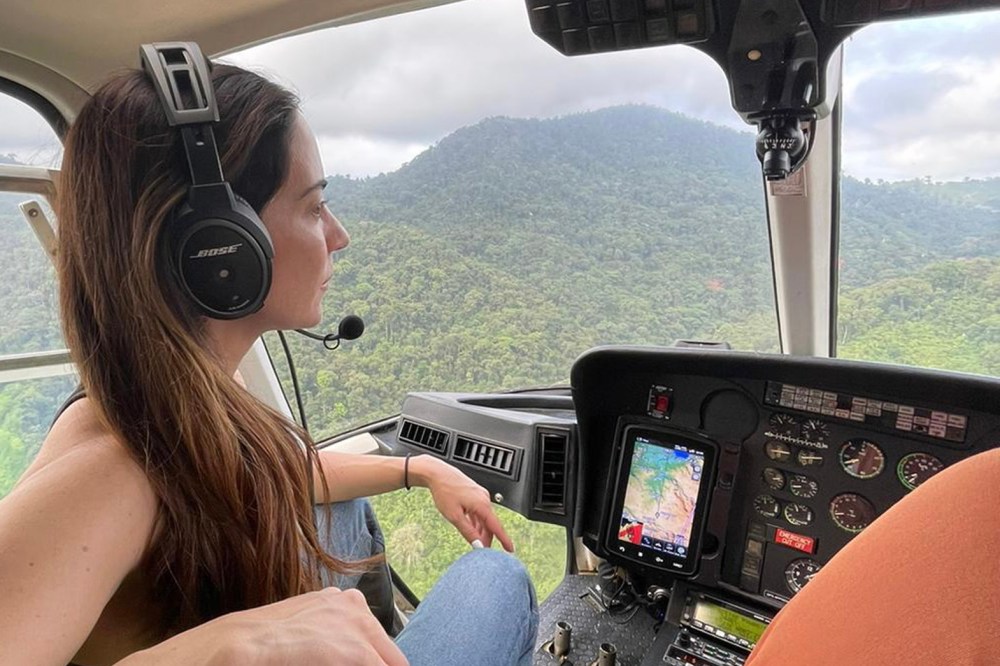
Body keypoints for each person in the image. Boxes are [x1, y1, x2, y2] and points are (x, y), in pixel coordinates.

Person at [0, 57, 537, 666]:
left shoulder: (174, 403)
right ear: (219, 250)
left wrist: (419, 470)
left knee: (346, 508)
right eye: (312, 208)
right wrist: (223, 649)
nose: (339, 235)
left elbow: (269, 470)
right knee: (495, 578)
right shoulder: (110, 470)